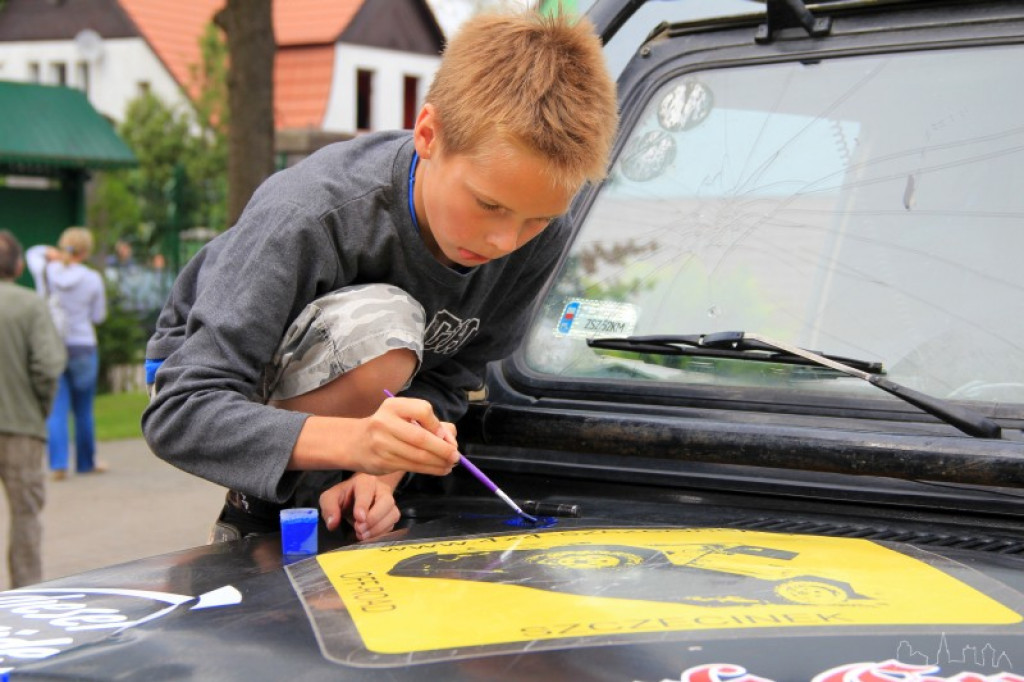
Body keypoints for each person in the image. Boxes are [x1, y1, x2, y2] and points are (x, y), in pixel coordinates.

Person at [143, 10, 619, 542]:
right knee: (385, 327)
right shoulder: (308, 214)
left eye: (538, 219)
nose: (504, 242)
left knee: (396, 350)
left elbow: (451, 376)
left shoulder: (539, 231)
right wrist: (355, 443)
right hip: (209, 369)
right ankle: (257, 507)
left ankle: (330, 487)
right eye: (488, 205)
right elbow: (179, 412)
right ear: (429, 134)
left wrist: (381, 470)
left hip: (363, 388)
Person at [0, 230, 67, 587]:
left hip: (20, 420)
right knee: (25, 515)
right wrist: (40, 407)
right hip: (20, 425)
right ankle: (23, 595)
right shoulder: (29, 305)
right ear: (17, 265)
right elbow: (47, 365)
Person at [26, 227, 108, 479]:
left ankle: (58, 464)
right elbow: (99, 316)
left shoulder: (47, 272)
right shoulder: (92, 278)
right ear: (86, 251)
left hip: (54, 346)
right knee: (83, 410)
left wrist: (51, 253)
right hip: (83, 345)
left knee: (57, 409)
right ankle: (85, 462)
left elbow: (32, 253)